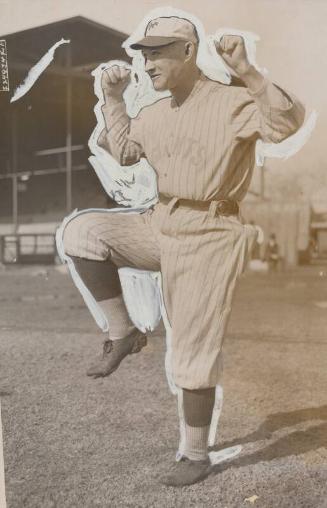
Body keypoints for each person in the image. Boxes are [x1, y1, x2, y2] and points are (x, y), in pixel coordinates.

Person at [61, 15, 305, 486]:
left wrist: (249, 72)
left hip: (210, 230)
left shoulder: (232, 100)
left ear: (188, 51)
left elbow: (285, 125)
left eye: (156, 51)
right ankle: (123, 333)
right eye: (142, 53)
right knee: (83, 233)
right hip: (162, 220)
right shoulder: (155, 110)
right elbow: (126, 150)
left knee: (191, 345)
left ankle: (195, 454)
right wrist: (111, 99)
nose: (145, 61)